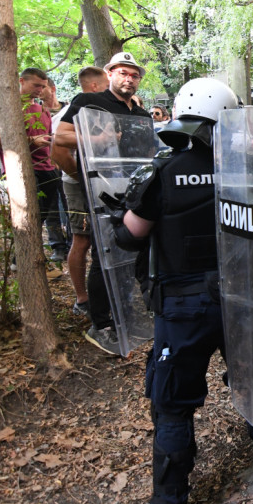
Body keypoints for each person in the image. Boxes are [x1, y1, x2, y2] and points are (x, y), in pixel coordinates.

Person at [112, 78, 253, 504]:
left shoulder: (163, 169)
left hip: (183, 307)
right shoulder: (248, 166)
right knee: (251, 382)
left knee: (172, 408)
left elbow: (129, 236)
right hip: (243, 300)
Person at [54, 54, 151, 354]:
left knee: (133, 256)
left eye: (135, 76)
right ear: (109, 74)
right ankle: (102, 324)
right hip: (103, 194)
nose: (129, 79)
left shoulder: (142, 113)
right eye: (123, 73)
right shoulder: (88, 102)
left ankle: (127, 317)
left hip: (136, 193)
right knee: (104, 256)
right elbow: (60, 138)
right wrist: (94, 142)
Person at [0, 67, 64, 264]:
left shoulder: (43, 110)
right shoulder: (4, 107)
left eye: (43, 86)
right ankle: (21, 259)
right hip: (24, 167)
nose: (39, 90)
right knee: (29, 215)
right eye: (35, 85)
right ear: (21, 81)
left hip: (48, 169)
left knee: (41, 217)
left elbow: (47, 140)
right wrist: (31, 140)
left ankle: (24, 257)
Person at [51, 67, 106, 318]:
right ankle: (82, 298)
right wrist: (80, 178)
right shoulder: (70, 112)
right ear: (94, 86)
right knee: (81, 239)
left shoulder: (98, 110)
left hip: (99, 182)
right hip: (77, 183)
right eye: (106, 84)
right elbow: (58, 152)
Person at [41, 78, 71, 262]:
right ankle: (57, 246)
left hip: (67, 163)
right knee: (51, 208)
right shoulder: (36, 112)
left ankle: (73, 241)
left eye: (42, 86)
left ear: (52, 88)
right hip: (46, 165)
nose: (39, 91)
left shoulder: (69, 109)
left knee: (70, 206)